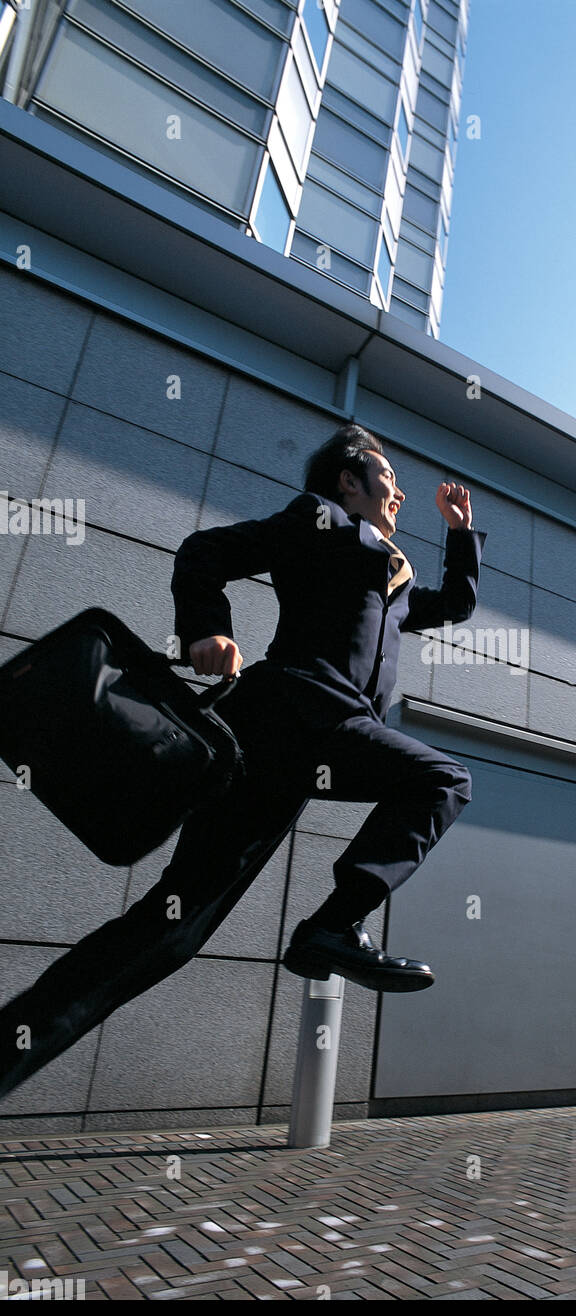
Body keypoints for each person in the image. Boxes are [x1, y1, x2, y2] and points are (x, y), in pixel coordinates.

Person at [0, 423, 486, 1103]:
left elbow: (455, 605)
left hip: (299, 750)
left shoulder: (392, 575)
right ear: (348, 482)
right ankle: (332, 927)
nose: (400, 493)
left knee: (171, 933)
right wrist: (206, 628)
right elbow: (206, 551)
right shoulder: (313, 522)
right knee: (443, 778)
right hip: (292, 710)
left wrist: (460, 533)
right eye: (388, 480)